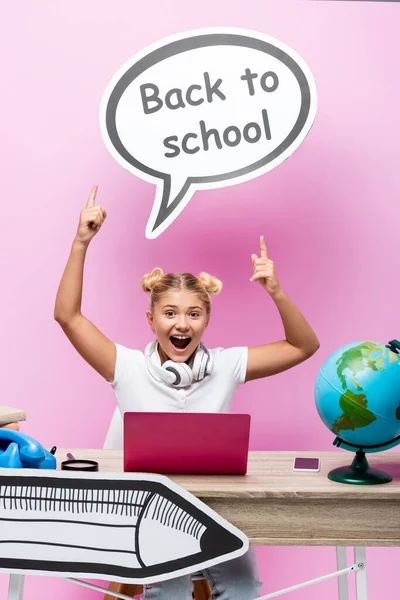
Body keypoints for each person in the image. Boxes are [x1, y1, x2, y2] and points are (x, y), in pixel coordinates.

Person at [54, 185, 320, 600]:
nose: (183, 324)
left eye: (194, 314)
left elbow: (303, 346)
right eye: (171, 313)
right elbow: (67, 316)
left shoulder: (227, 365)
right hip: (147, 511)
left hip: (213, 508)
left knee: (243, 583)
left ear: (206, 319)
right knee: (171, 585)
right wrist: (81, 242)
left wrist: (276, 292)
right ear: (151, 319)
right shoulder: (126, 366)